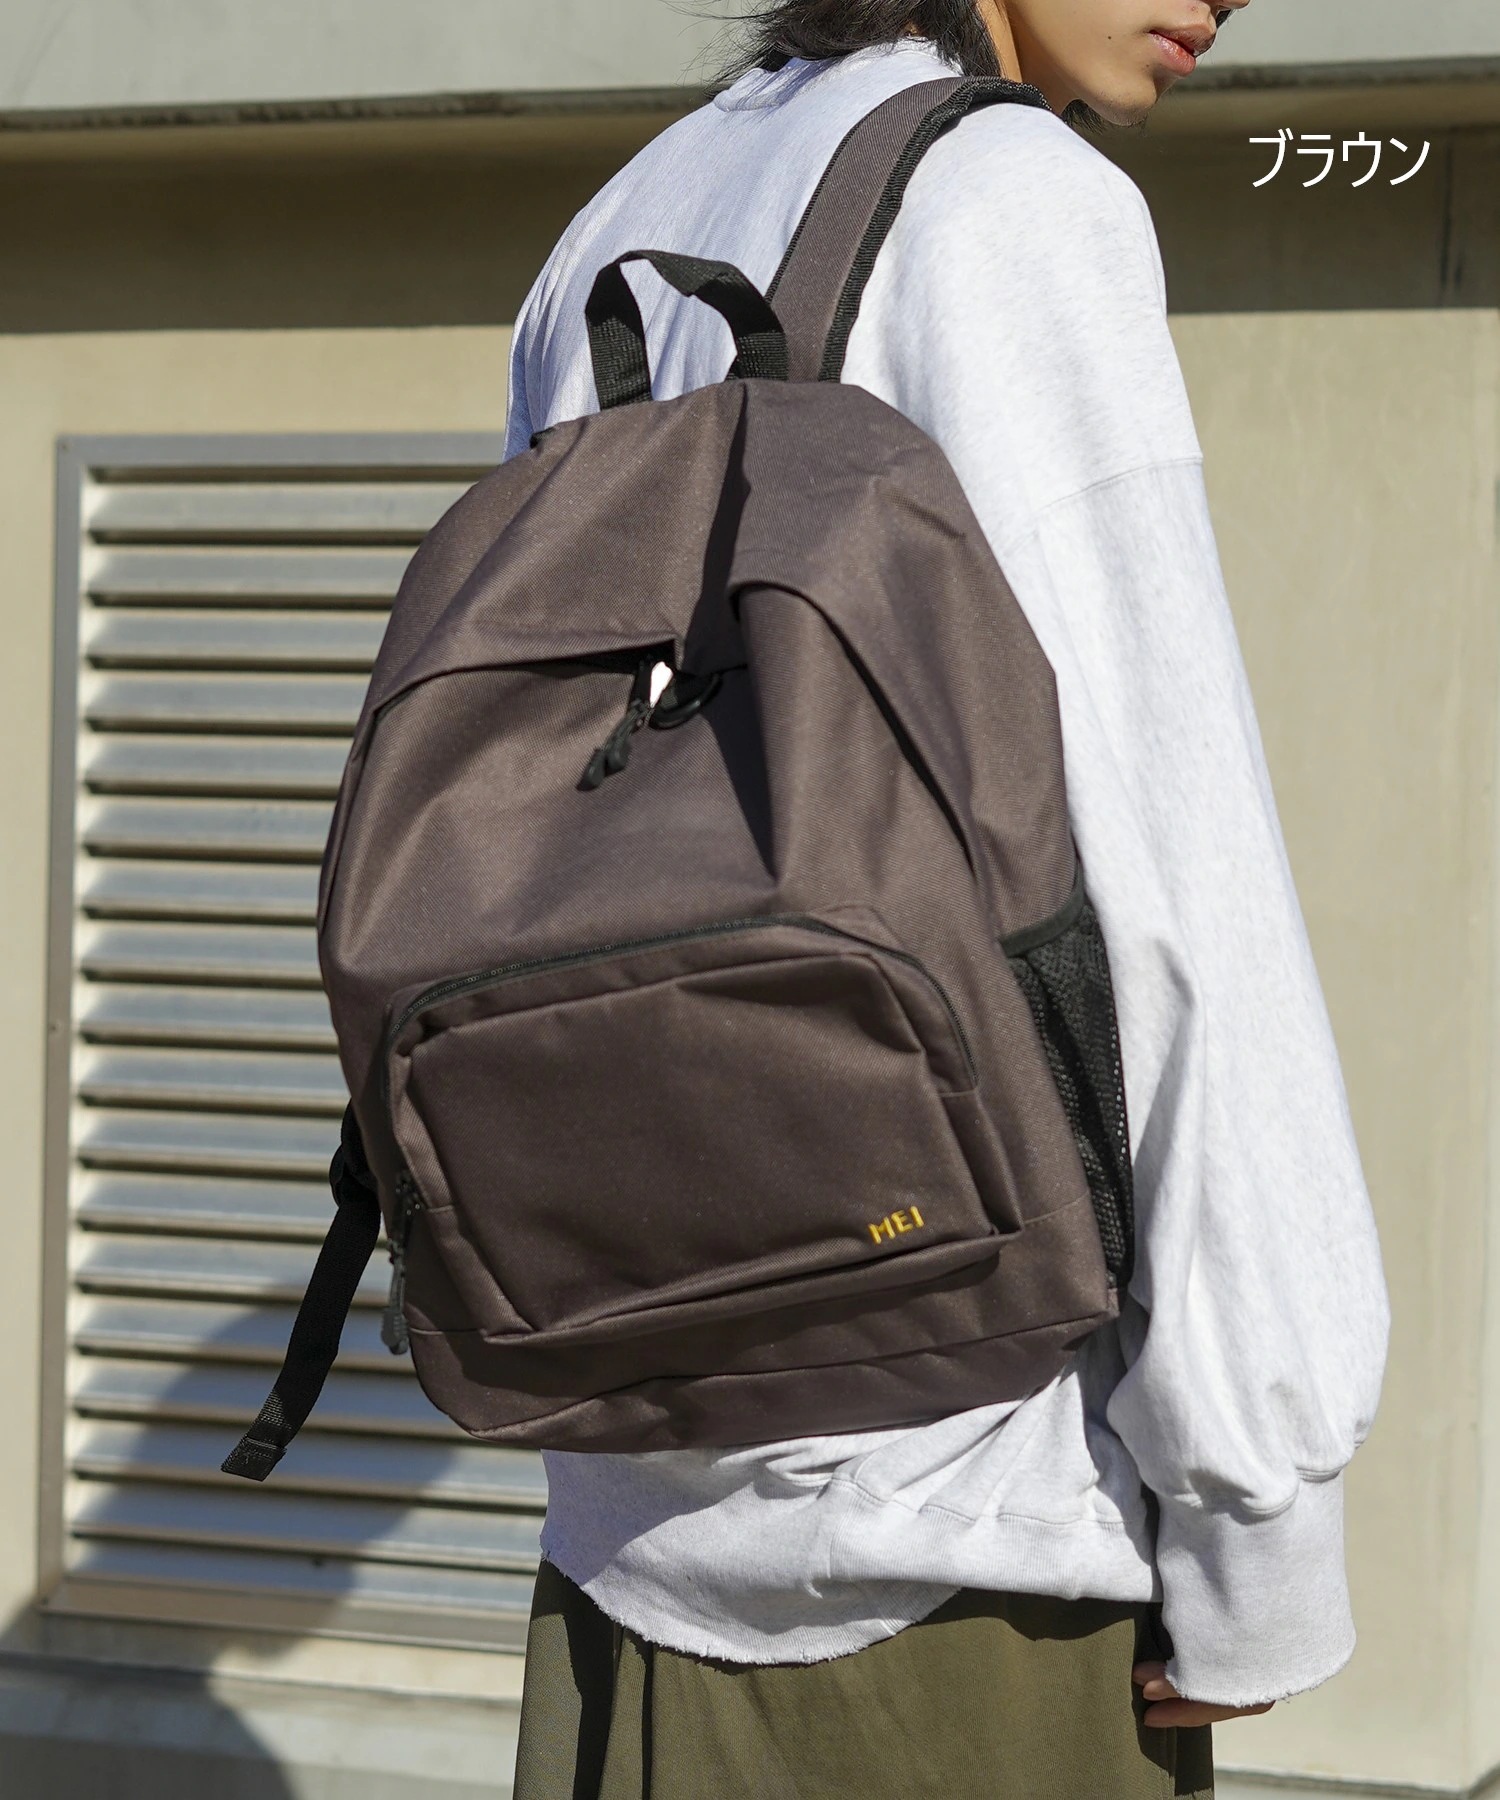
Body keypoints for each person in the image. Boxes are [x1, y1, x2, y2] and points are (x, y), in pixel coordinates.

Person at [502, 3, 1391, 1794]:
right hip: (960, 1557)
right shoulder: (1009, 201)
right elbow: (1165, 868)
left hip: (619, 1542)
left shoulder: (622, 218)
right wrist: (1261, 1516)